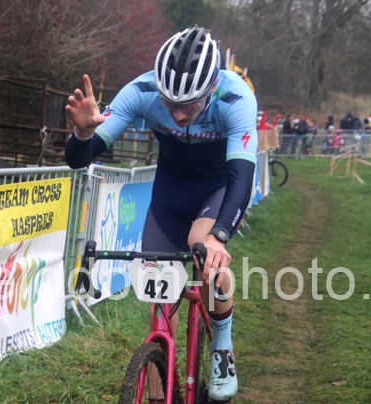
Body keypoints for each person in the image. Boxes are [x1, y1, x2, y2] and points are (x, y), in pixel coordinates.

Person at [64, 27, 254, 401]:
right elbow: (79, 159)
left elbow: (241, 176)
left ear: (212, 87)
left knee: (204, 250)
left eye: (190, 104)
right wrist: (83, 135)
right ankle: (157, 393)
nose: (179, 113)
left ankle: (222, 347)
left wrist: (219, 236)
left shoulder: (236, 98)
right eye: (170, 103)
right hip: (170, 194)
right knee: (161, 297)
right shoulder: (142, 91)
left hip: (218, 187)